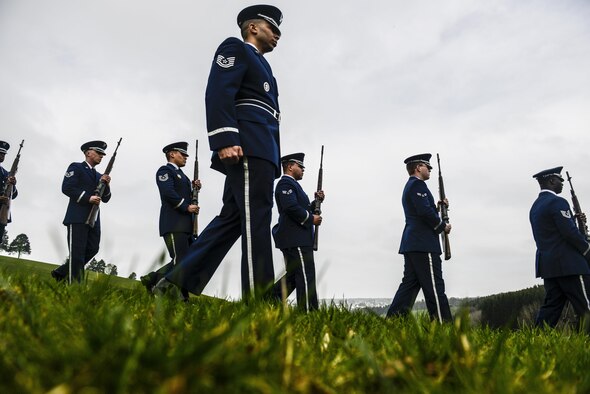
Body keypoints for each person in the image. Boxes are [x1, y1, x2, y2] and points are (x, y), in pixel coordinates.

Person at [155, 5, 283, 300]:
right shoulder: (235, 48)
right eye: (272, 28)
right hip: (248, 146)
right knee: (257, 220)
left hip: (262, 149)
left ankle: (174, 283)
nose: (277, 35)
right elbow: (219, 90)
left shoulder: (266, 67)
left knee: (233, 219)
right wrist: (225, 138)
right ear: (253, 28)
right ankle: (259, 299)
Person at [386, 153, 453, 322]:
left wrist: (438, 207)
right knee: (435, 288)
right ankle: (443, 325)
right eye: (427, 166)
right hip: (423, 243)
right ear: (418, 168)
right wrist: (442, 226)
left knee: (409, 285)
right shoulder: (418, 186)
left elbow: (422, 210)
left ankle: (394, 321)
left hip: (414, 243)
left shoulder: (413, 186)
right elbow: (423, 212)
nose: (429, 170)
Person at [529, 166, 590, 328]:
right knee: (585, 306)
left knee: (551, 308)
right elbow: (569, 233)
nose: (562, 183)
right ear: (551, 181)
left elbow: (553, 234)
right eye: (559, 180)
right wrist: (587, 249)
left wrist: (578, 223)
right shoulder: (558, 202)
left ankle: (536, 338)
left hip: (549, 267)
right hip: (570, 265)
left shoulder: (534, 207)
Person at [140, 142, 201, 294]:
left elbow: (184, 194)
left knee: (188, 261)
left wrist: (195, 189)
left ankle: (179, 294)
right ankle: (153, 281)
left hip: (186, 225)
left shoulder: (184, 177)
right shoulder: (165, 170)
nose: (186, 157)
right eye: (182, 154)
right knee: (179, 260)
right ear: (172, 154)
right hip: (174, 222)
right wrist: (186, 206)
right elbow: (167, 192)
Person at [269, 153, 324, 311]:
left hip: (296, 237)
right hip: (296, 238)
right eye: (300, 166)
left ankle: (268, 301)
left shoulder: (292, 185)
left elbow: (299, 207)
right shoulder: (285, 184)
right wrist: (310, 218)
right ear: (290, 166)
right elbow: (291, 207)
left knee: (293, 276)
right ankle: (308, 312)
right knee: (306, 275)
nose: (303, 169)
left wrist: (315, 203)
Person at [51, 141, 112, 283]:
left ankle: (61, 272)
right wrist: (88, 198)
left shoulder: (99, 176)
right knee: (77, 254)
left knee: (93, 248)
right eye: (98, 153)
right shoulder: (76, 167)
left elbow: (107, 198)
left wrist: (106, 184)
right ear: (88, 152)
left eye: (102, 154)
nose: (101, 156)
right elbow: (67, 188)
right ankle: (75, 286)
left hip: (94, 218)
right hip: (77, 216)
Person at [0, 141, 18, 238]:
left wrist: (12, 184)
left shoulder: (6, 173)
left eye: (3, 154)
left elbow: (14, 195)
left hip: (1, 212)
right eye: (0, 153)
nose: (2, 156)